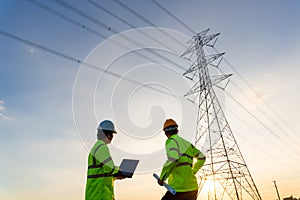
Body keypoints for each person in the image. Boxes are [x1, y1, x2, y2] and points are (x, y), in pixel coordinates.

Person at [157, 118, 206, 200]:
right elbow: (202, 158)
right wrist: (193, 171)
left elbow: (173, 159)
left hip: (178, 189)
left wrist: (162, 178)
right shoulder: (188, 144)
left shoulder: (171, 141)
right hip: (192, 188)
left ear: (166, 132)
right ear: (177, 130)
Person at [85, 120, 124, 200]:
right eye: (112, 134)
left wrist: (115, 177)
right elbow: (109, 168)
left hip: (93, 194)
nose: (112, 137)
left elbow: (101, 173)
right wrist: (120, 170)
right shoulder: (102, 147)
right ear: (108, 135)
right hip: (100, 195)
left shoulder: (94, 149)